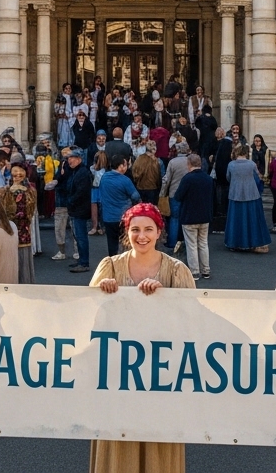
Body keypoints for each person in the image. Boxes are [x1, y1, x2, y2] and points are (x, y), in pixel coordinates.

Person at [89, 203, 194, 473]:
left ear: (159, 232)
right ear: (127, 232)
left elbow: (193, 323)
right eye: (135, 229)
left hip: (162, 375)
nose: (142, 236)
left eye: (149, 229)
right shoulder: (110, 267)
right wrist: (102, 296)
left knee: (157, 439)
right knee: (118, 440)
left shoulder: (176, 270)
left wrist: (165, 300)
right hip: (115, 375)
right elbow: (85, 319)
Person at [172, 153, 214, 280]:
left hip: (189, 216)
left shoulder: (187, 179)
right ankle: (206, 270)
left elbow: (178, 196)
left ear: (189, 164)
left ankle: (195, 272)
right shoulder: (208, 179)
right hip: (205, 216)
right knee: (203, 243)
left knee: (191, 245)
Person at [93, 154, 141, 258]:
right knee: (125, 243)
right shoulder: (125, 180)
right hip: (123, 217)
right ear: (120, 166)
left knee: (111, 242)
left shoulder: (104, 178)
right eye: (126, 165)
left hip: (108, 217)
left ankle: (113, 262)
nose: (127, 167)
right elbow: (136, 196)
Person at [225, 144, 270, 253]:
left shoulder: (231, 165)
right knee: (252, 220)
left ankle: (234, 243)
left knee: (235, 220)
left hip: (235, 194)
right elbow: (257, 177)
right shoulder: (252, 164)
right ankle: (253, 242)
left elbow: (228, 178)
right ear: (246, 153)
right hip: (251, 194)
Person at [0, 161, 38, 284]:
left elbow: (28, 212)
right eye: (15, 172)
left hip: (23, 230)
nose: (18, 174)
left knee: (22, 259)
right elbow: (2, 210)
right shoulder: (4, 190)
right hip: (8, 230)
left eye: (21, 172)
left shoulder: (30, 191)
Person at [61, 148, 95, 273]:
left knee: (81, 237)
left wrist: (70, 201)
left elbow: (81, 192)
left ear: (79, 159)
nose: (69, 160)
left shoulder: (82, 173)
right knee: (78, 236)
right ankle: (82, 260)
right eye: (68, 158)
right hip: (77, 208)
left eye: (72, 158)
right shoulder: (76, 171)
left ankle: (84, 262)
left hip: (79, 209)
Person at [132, 141, 163, 205]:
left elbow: (134, 173)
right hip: (152, 189)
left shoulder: (139, 159)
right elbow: (159, 177)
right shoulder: (157, 161)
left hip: (140, 188)